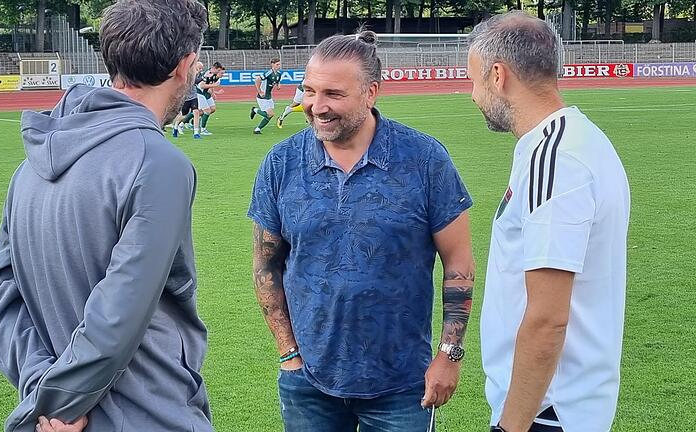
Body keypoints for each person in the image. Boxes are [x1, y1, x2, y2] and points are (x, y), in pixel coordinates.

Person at [0, 1, 212, 432]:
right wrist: (61, 404)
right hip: (148, 414)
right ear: (186, 66)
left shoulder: (28, 166)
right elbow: (118, 313)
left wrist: (41, 390)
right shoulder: (157, 162)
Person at [248, 30, 475, 432]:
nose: (316, 106)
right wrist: (289, 354)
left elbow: (458, 264)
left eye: (333, 94)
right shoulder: (281, 163)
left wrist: (449, 354)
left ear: (371, 92)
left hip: (403, 384)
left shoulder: (424, 159)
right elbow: (266, 266)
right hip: (309, 382)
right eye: (309, 91)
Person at [466, 12, 630, 432]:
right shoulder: (573, 141)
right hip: (561, 410)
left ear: (498, 75)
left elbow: (547, 318)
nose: (472, 95)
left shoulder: (555, 159)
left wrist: (511, 427)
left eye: (473, 80)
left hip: (547, 414)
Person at [172, 61, 204, 137]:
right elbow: (193, 81)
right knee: (184, 115)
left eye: (201, 68)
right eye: (199, 68)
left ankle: (196, 133)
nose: (200, 70)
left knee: (196, 112)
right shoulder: (189, 73)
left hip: (193, 96)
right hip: (185, 97)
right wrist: (203, 78)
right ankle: (176, 126)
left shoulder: (198, 74)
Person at [250, 58, 282, 134]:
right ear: (272, 64)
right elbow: (257, 80)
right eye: (277, 64)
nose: (279, 66)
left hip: (269, 97)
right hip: (262, 97)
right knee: (270, 114)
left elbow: (277, 81)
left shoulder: (279, 74)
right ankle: (254, 110)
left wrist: (278, 85)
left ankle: (257, 129)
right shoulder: (268, 73)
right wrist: (260, 91)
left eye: (279, 64)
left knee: (270, 115)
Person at [195, 62, 225, 138]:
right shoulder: (207, 74)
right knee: (207, 111)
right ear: (214, 68)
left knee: (212, 109)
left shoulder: (214, 75)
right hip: (200, 93)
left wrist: (214, 93)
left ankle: (190, 121)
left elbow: (210, 85)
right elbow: (202, 86)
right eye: (218, 71)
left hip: (206, 93)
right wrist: (214, 86)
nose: (220, 73)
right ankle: (202, 129)